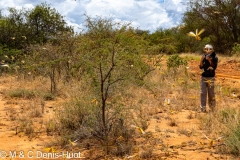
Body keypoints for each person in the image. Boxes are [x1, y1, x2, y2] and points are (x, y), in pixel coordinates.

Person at [199, 44, 218, 112]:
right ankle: (203, 109)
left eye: (208, 49)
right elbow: (201, 67)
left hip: (211, 77)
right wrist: (201, 60)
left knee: (211, 93)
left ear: (211, 50)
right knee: (202, 93)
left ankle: (212, 108)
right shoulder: (204, 56)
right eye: (206, 49)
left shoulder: (215, 57)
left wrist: (209, 60)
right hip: (203, 76)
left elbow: (214, 68)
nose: (207, 50)